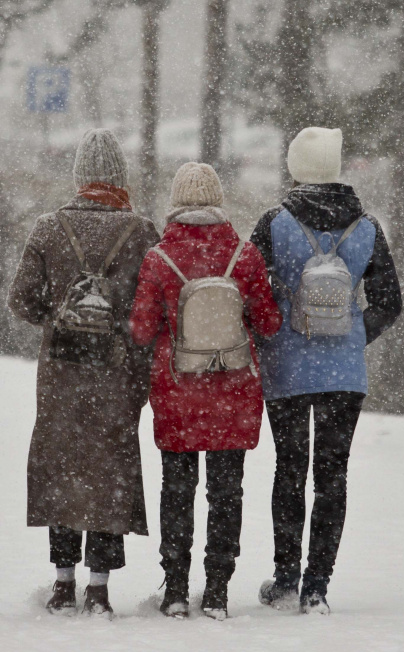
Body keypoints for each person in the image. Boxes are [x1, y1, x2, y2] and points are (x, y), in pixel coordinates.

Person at [250, 127, 402, 614]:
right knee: (332, 478)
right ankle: (318, 587)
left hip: (287, 368)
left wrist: (275, 330)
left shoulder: (274, 224)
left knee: (289, 471)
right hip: (344, 374)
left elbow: (249, 289)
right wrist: (355, 334)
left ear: (296, 168)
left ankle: (286, 579)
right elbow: (388, 302)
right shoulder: (368, 229)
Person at [8, 129, 158, 619]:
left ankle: (61, 583)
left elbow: (21, 301)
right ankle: (99, 588)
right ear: (119, 176)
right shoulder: (140, 232)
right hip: (117, 375)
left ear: (78, 178)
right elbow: (151, 312)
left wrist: (59, 319)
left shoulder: (49, 229)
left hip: (62, 375)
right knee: (110, 470)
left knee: (65, 466)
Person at [130, 162, 282, 620]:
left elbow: (139, 330)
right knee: (226, 491)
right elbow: (270, 324)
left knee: (177, 490)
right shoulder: (246, 255)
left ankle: (176, 590)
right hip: (233, 395)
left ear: (176, 203)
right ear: (218, 201)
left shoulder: (159, 259)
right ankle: (217, 590)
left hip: (178, 393)